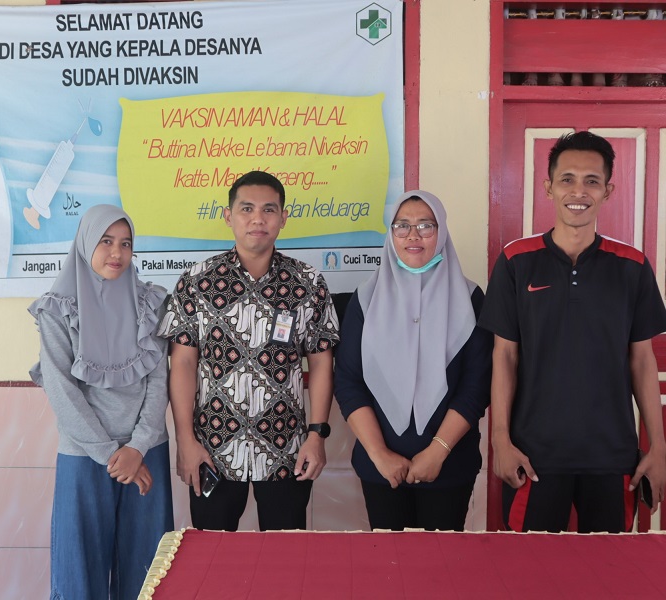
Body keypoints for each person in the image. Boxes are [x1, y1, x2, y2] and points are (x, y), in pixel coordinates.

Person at [480, 131, 666, 533]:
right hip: (533, 455)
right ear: (549, 187)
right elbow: (504, 356)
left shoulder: (632, 266)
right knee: (530, 567)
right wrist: (500, 440)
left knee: (609, 568)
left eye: (591, 181)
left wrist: (659, 447)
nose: (578, 191)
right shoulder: (516, 261)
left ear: (607, 191)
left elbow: (642, 360)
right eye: (567, 179)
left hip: (613, 457)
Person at [159, 170, 339, 532]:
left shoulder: (307, 282)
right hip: (213, 449)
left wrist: (317, 435)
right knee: (213, 556)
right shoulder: (197, 282)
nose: (258, 219)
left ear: (283, 218)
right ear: (229, 216)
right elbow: (183, 364)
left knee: (286, 557)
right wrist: (185, 441)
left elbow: (321, 363)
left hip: (287, 448)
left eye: (269, 209)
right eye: (247, 209)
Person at [28, 204, 172, 598]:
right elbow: (61, 390)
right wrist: (112, 454)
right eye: (106, 241)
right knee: (79, 572)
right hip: (85, 454)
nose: (117, 253)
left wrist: (137, 447)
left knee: (149, 571)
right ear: (85, 243)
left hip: (146, 452)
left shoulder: (152, 303)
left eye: (126, 243)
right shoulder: (56, 310)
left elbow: (159, 381)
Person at [334, 190, 492, 531]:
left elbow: (477, 385)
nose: (413, 235)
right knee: (388, 559)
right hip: (381, 469)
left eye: (425, 225)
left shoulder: (470, 299)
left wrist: (437, 451)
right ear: (391, 234)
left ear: (442, 231)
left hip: (450, 465)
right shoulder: (365, 299)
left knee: (443, 561)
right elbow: (348, 381)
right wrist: (379, 454)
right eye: (402, 226)